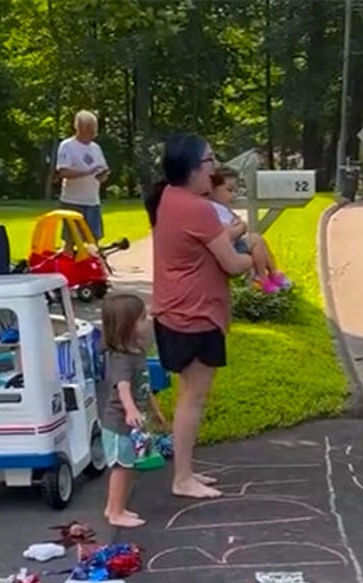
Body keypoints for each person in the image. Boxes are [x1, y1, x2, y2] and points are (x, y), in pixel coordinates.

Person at [146, 134, 254, 499]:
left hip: (176, 310)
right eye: (209, 160)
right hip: (192, 314)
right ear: (192, 169)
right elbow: (233, 264)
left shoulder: (170, 199)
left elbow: (206, 246)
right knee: (193, 397)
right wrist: (254, 256)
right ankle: (182, 478)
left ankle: (187, 471)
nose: (214, 166)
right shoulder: (197, 208)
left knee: (190, 396)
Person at [100, 293, 168, 528]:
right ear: (127, 326)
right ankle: (116, 512)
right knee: (121, 467)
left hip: (133, 423)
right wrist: (130, 410)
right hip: (119, 423)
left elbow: (144, 388)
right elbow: (123, 387)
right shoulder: (121, 358)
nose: (146, 322)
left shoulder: (136, 353)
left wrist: (155, 411)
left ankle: (114, 507)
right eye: (142, 319)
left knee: (129, 467)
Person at [208, 166, 290, 293]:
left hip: (232, 246)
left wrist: (239, 224)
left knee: (258, 240)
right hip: (227, 250)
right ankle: (262, 278)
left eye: (235, 190)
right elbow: (228, 232)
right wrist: (241, 225)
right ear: (212, 189)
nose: (233, 195)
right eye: (229, 190)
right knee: (256, 240)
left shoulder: (221, 207)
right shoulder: (213, 208)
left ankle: (273, 273)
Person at [56, 110, 110, 246]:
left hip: (92, 201)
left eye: (94, 129)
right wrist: (86, 172)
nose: (93, 133)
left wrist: (103, 175)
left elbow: (102, 171)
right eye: (90, 129)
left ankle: (94, 266)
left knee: (93, 239)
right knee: (71, 240)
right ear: (79, 128)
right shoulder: (67, 146)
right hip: (72, 201)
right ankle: (68, 265)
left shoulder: (96, 148)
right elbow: (63, 171)